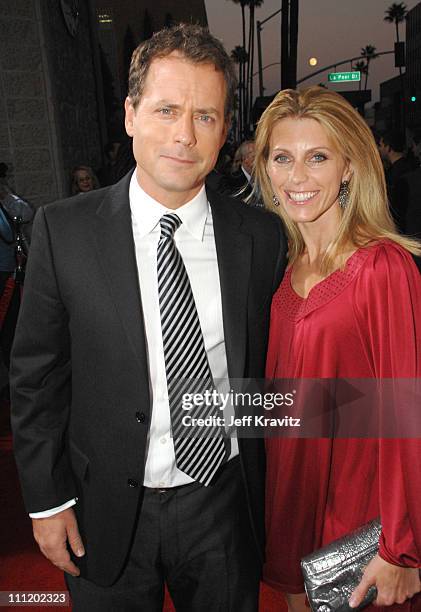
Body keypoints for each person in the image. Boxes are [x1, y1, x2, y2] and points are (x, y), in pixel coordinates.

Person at [10, 24, 286, 612]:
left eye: (205, 117)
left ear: (224, 130)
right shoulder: (64, 230)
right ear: (131, 114)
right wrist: (47, 501)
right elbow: (36, 377)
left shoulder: (262, 237)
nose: (184, 135)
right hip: (101, 507)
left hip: (224, 505)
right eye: (166, 110)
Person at [253, 86, 421, 612]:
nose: (297, 177)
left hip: (361, 527)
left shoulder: (383, 267)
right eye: (282, 158)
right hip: (292, 512)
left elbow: (406, 413)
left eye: (317, 157)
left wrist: (402, 550)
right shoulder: (284, 268)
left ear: (349, 167)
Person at [378, 131, 416, 232]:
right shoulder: (411, 166)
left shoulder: (395, 174)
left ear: (388, 148)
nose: (379, 149)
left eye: (381, 145)